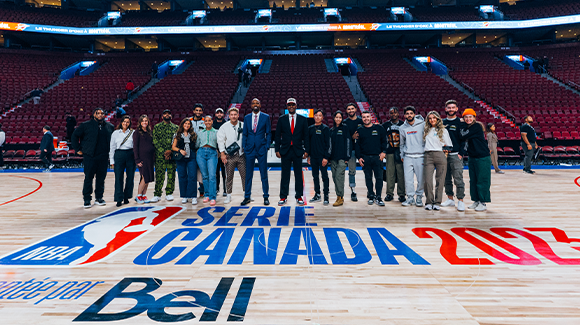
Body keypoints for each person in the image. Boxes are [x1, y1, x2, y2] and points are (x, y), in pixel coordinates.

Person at [71, 107, 114, 208]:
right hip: (90, 156)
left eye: (102, 113)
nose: (100, 115)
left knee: (101, 178)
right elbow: (74, 136)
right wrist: (77, 149)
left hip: (103, 157)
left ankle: (99, 198)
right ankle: (87, 199)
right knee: (88, 178)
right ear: (94, 114)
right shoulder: (86, 125)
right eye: (98, 113)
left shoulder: (109, 126)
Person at [275, 98, 309, 206]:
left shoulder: (303, 119)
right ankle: (283, 196)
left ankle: (299, 196)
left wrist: (307, 150)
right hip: (285, 151)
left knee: (298, 175)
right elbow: (277, 135)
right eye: (289, 105)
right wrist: (277, 149)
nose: (291, 106)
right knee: (285, 175)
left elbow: (306, 137)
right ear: (287, 106)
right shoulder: (281, 119)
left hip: (298, 151)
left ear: (296, 105)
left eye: (293, 104)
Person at [459, 109, 491, 212]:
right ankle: (476, 200)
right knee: (473, 180)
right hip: (472, 157)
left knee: (482, 179)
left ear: (474, 117)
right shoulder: (466, 127)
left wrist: (460, 125)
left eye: (470, 117)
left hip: (482, 157)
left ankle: (483, 202)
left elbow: (462, 135)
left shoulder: (476, 127)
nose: (468, 119)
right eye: (466, 117)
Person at [242, 98, 271, 206]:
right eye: (253, 102)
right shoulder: (246, 117)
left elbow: (268, 133)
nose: (255, 104)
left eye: (257, 103)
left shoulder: (266, 117)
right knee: (248, 174)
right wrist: (244, 146)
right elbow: (245, 134)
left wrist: (267, 146)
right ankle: (247, 196)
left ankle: (266, 196)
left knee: (264, 174)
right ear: (251, 105)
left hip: (261, 149)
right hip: (249, 149)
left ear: (260, 105)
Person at [355, 111, 387, 206]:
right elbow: (358, 146)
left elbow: (384, 141)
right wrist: (359, 157)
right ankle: (371, 196)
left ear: (371, 117)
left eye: (367, 117)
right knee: (368, 178)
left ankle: (379, 197)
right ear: (362, 119)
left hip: (377, 157)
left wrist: (384, 152)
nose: (366, 119)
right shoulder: (360, 130)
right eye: (364, 117)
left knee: (379, 178)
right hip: (365, 158)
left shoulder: (379, 128)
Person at [423, 111, 452, 211]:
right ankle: (429, 201)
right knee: (427, 180)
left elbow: (449, 145)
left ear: (438, 119)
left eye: (434, 118)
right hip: (428, 155)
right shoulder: (425, 130)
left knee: (440, 180)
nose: (432, 120)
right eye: (430, 118)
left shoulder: (443, 130)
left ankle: (437, 202)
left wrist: (445, 152)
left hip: (440, 154)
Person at [442, 99, 467, 212]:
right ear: (446, 109)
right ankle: (450, 198)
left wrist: (461, 153)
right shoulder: (441, 123)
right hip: (443, 155)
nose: (451, 109)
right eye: (449, 107)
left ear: (456, 109)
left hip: (456, 154)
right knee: (446, 178)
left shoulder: (461, 123)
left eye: (453, 107)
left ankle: (460, 200)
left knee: (458, 178)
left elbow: (465, 140)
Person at [217, 107, 246, 204]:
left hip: (241, 155)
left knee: (244, 176)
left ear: (238, 115)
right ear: (229, 116)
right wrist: (222, 154)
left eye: (235, 114)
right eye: (232, 115)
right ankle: (228, 195)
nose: (233, 116)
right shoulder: (224, 127)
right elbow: (220, 141)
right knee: (229, 176)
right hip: (229, 155)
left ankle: (247, 195)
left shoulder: (243, 125)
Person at [399, 106, 425, 207]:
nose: (409, 115)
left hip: (420, 155)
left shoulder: (422, 125)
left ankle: (419, 197)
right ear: (404, 115)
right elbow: (402, 143)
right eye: (407, 113)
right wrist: (402, 155)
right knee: (408, 179)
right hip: (408, 156)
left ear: (414, 114)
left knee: (421, 179)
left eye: (411, 113)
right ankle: (410, 198)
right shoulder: (402, 128)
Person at [152, 109, 178, 202]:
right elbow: (155, 141)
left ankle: (169, 193)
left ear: (171, 116)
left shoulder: (176, 127)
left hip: (172, 155)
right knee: (159, 175)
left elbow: (177, 141)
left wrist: (170, 151)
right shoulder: (157, 127)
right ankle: (157, 194)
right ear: (162, 116)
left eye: (169, 113)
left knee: (171, 175)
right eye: (165, 114)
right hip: (160, 156)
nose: (167, 115)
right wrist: (164, 152)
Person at [109, 115, 135, 207]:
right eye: (124, 121)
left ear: (130, 123)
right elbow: (112, 147)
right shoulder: (115, 133)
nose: (126, 123)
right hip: (119, 154)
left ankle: (126, 197)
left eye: (127, 122)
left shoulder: (133, 132)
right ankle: (119, 198)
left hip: (130, 154)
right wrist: (111, 160)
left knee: (130, 177)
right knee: (118, 177)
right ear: (121, 122)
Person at [306, 109, 330, 205]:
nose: (317, 117)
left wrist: (326, 157)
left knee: (325, 177)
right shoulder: (310, 128)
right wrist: (309, 156)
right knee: (315, 176)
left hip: (322, 157)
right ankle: (317, 194)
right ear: (313, 116)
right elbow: (309, 144)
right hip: (313, 157)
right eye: (316, 115)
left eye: (320, 115)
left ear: (322, 117)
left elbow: (328, 144)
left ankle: (326, 196)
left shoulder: (325, 128)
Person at [382, 107, 405, 203]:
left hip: (400, 152)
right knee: (389, 174)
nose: (393, 114)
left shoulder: (403, 124)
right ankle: (389, 194)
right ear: (389, 114)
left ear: (398, 113)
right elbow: (382, 139)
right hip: (389, 152)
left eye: (395, 112)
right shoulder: (385, 125)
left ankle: (402, 194)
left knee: (401, 174)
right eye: (391, 113)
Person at [172, 118, 198, 205]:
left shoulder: (193, 134)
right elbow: (173, 147)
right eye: (185, 123)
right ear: (182, 124)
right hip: (181, 158)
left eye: (188, 124)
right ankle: (185, 196)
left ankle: (193, 196)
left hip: (192, 157)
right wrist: (180, 150)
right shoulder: (177, 134)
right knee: (182, 176)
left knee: (192, 176)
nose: (187, 125)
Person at [328, 111, 350, 207]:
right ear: (334, 118)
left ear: (342, 119)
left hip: (342, 158)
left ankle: (339, 197)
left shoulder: (345, 128)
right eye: (336, 117)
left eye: (340, 117)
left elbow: (348, 142)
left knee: (339, 177)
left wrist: (347, 157)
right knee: (334, 177)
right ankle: (340, 196)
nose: (338, 119)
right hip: (333, 158)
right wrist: (328, 157)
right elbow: (329, 145)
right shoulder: (331, 130)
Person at [196, 116, 219, 206]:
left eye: (209, 120)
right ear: (204, 122)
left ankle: (213, 197)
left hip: (212, 152)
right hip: (201, 153)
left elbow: (219, 143)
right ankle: (207, 194)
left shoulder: (217, 132)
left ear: (212, 122)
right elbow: (197, 144)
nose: (208, 122)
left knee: (212, 176)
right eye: (206, 121)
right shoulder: (200, 132)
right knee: (204, 176)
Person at [133, 115, 155, 204]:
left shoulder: (150, 132)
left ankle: (143, 195)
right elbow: (135, 147)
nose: (145, 122)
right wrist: (137, 159)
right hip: (142, 158)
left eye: (146, 121)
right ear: (140, 123)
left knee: (148, 177)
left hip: (150, 158)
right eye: (143, 121)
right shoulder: (137, 132)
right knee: (144, 176)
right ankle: (138, 195)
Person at [344, 103, 363, 202]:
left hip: (363, 149)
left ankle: (370, 191)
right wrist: (352, 137)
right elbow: (343, 138)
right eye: (348, 109)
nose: (351, 110)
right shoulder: (345, 123)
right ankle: (353, 191)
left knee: (368, 170)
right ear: (346, 111)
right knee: (352, 171)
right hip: (351, 149)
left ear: (355, 109)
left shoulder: (361, 120)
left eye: (352, 108)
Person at [190, 103, 206, 197]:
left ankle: (202, 190)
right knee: (192, 170)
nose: (198, 112)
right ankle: (192, 192)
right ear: (194, 111)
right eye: (197, 110)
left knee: (202, 170)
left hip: (201, 149)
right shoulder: (189, 121)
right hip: (191, 149)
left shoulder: (205, 121)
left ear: (202, 112)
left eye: (200, 110)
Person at [213, 108, 227, 197]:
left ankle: (225, 189)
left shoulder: (226, 124)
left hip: (224, 152)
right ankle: (217, 188)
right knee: (216, 172)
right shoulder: (212, 124)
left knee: (224, 172)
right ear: (215, 114)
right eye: (217, 113)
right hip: (215, 152)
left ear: (223, 114)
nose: (219, 114)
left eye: (220, 113)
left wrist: (223, 151)